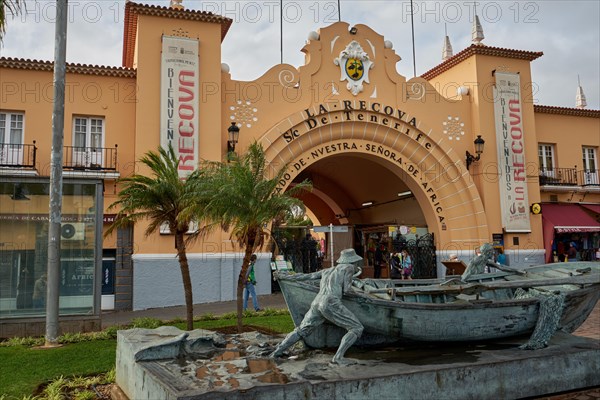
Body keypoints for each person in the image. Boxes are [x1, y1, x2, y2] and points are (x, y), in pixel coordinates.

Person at [270, 248, 364, 365]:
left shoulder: (327, 270)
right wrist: (361, 295)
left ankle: (277, 352)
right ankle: (338, 357)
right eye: (356, 263)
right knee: (356, 328)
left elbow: (305, 276)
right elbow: (348, 290)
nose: (356, 265)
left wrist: (284, 276)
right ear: (353, 262)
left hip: (317, 302)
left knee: (301, 330)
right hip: (331, 302)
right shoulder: (348, 268)